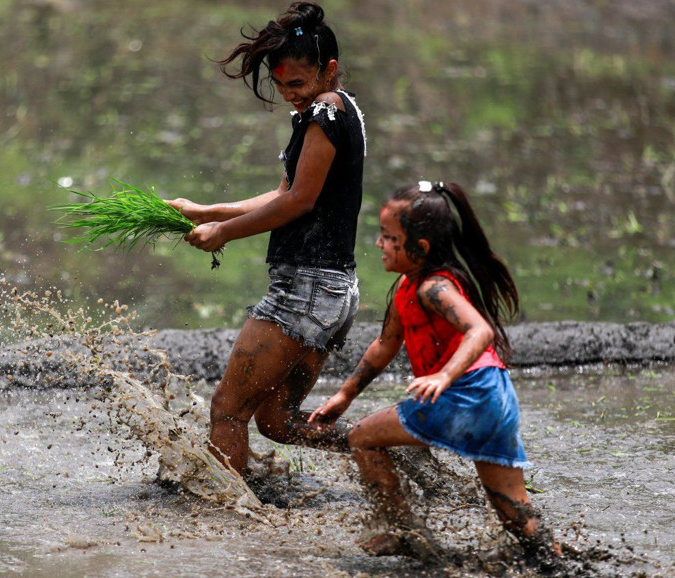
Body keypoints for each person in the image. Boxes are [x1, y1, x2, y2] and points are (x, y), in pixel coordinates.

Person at [310, 181, 560, 561]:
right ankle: (558, 560)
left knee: (363, 437)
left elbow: (480, 331)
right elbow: (385, 345)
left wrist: (444, 376)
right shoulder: (407, 288)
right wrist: (345, 395)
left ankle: (403, 531)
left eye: (388, 237)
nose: (379, 244)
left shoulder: (435, 288)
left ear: (420, 247)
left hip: (467, 394)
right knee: (513, 513)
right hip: (494, 398)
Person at [165, 2, 365, 476]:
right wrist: (205, 211)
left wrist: (223, 233)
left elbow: (298, 203)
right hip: (334, 291)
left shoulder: (325, 112)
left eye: (296, 83)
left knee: (228, 409)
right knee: (277, 421)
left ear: (328, 70)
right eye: (280, 87)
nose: (288, 95)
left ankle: (229, 518)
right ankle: (388, 446)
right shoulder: (339, 109)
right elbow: (283, 193)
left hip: (306, 289)